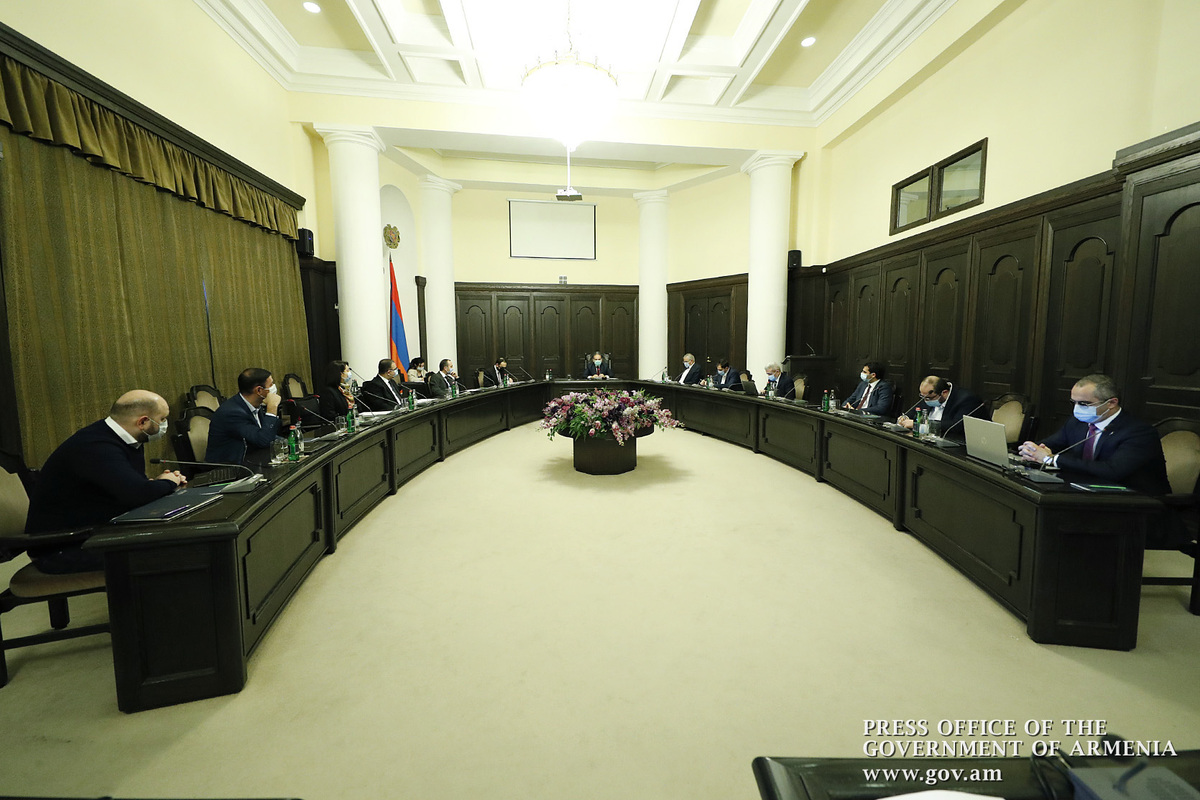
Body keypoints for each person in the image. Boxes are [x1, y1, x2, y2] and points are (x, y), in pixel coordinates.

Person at [25, 390, 186, 573]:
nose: (164, 425)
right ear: (143, 422)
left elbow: (131, 489)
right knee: (173, 551)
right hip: (62, 548)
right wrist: (169, 482)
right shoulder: (95, 445)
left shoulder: (127, 439)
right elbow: (137, 494)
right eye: (162, 419)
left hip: (93, 532)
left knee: (174, 539)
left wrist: (156, 485)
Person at [1018, 373, 1170, 496]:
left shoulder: (1138, 432)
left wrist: (1051, 459)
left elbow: (1112, 471)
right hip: (1085, 491)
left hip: (1136, 502)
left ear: (1111, 403)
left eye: (1084, 404)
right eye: (1073, 402)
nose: (1076, 408)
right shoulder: (1077, 422)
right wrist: (1032, 450)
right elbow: (1051, 444)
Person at [207, 368, 283, 464]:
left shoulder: (253, 405)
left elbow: (265, 434)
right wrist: (272, 408)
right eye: (271, 384)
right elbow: (263, 441)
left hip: (252, 459)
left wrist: (288, 443)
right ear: (259, 390)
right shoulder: (232, 413)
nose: (274, 387)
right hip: (229, 468)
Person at [897, 376, 988, 439]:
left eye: (928, 398)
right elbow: (916, 410)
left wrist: (919, 425)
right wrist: (905, 417)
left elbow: (956, 426)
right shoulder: (930, 396)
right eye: (922, 396)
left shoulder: (966, 399)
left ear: (944, 393)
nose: (925, 400)